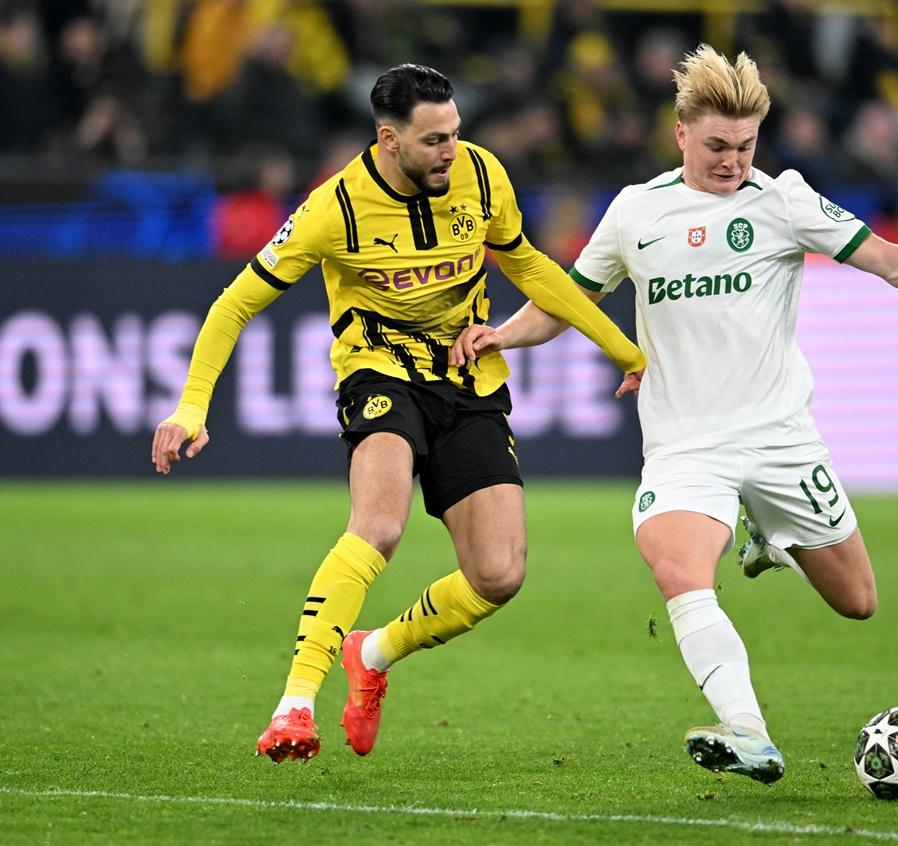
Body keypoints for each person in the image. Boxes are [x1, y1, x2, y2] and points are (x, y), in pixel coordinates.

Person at [450, 44, 898, 784]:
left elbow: (897, 263)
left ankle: (769, 536)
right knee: (678, 570)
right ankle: (747, 731)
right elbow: (569, 304)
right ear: (680, 133)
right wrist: (502, 333)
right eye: (716, 146)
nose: (732, 161)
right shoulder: (636, 212)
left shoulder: (783, 201)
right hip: (686, 447)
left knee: (857, 601)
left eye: (744, 147)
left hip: (780, 439)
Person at [150, 63, 646, 763]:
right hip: (378, 372)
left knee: (499, 574)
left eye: (456, 134)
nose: (452, 150)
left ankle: (374, 653)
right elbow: (235, 303)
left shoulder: (481, 175)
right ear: (389, 139)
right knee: (379, 526)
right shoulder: (335, 209)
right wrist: (192, 404)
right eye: (435, 139)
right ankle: (294, 705)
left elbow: (529, 265)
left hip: (467, 378)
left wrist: (623, 349)